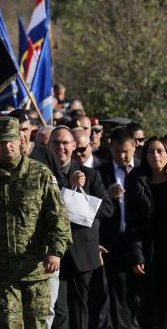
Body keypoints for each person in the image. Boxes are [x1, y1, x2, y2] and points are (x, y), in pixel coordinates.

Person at [0, 116, 72, 329]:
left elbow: (57, 216)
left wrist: (56, 250)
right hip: (0, 270)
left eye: (11, 140)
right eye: (1, 142)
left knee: (36, 324)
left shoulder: (40, 173)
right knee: (8, 324)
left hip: (35, 268)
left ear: (20, 140)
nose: (7, 146)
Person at [48, 126, 113, 329]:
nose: (61, 147)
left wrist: (82, 198)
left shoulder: (90, 175)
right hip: (52, 254)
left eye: (65, 143)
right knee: (57, 309)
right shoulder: (41, 174)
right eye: (56, 143)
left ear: (74, 145)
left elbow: (107, 209)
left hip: (82, 252)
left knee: (80, 308)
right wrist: (68, 189)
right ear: (48, 145)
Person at [97, 127, 140, 329]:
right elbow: (91, 209)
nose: (122, 156)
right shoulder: (100, 173)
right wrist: (106, 196)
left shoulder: (145, 169)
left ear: (134, 147)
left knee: (142, 295)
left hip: (141, 241)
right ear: (110, 147)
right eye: (117, 151)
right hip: (114, 243)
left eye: (126, 151)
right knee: (118, 296)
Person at [125, 136, 167, 328]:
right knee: (149, 309)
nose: (155, 155)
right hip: (149, 253)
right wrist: (137, 255)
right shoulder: (137, 179)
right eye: (150, 151)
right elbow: (132, 222)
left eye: (160, 151)